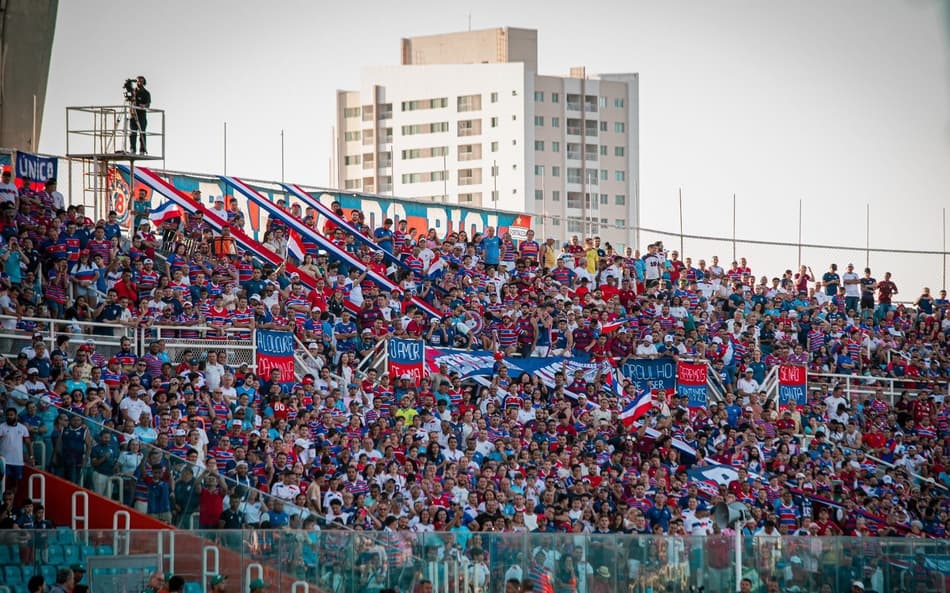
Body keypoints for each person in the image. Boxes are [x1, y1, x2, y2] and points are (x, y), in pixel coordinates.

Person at [0, 406, 32, 491]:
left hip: (18, 461)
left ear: (16, 416)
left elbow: (28, 443)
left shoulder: (23, 428)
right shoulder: (1, 427)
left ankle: (11, 502)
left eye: (11, 415)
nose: (9, 416)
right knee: (3, 484)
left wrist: (31, 457)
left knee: (15, 484)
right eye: (8, 415)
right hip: (4, 461)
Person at [129, 75, 151, 154]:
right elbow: (129, 100)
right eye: (138, 81)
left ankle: (142, 149)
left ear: (144, 82)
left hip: (141, 116)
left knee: (142, 132)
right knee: (132, 133)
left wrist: (143, 106)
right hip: (133, 115)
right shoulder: (133, 92)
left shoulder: (146, 93)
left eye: (141, 81)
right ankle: (132, 149)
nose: (139, 83)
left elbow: (148, 104)